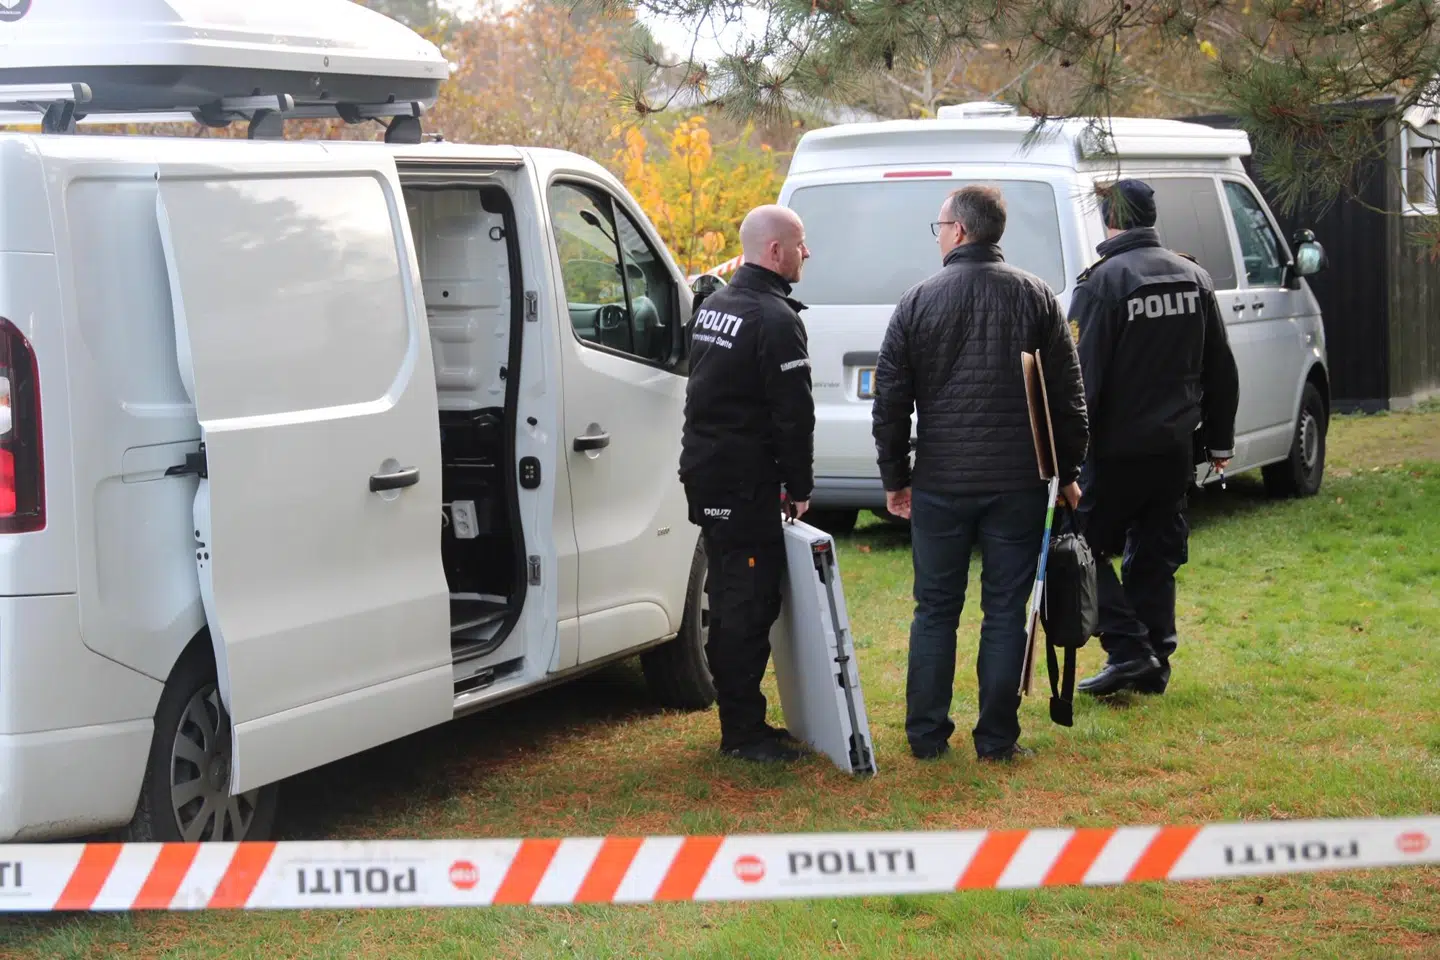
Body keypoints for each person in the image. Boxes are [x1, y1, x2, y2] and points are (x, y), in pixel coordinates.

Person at [872, 185, 1088, 763]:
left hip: (940, 483)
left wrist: (896, 477)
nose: (939, 234)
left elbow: (890, 401)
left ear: (960, 231)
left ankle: (926, 736)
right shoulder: (1037, 296)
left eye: (940, 225)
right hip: (1018, 483)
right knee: (1004, 612)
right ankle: (996, 739)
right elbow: (1068, 397)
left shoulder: (916, 301)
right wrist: (1067, 471)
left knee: (935, 608)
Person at [1067, 178, 1239, 697]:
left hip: (1115, 452)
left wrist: (1066, 457)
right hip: (1173, 450)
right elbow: (1220, 368)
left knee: (1077, 550)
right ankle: (1153, 659)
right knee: (1155, 552)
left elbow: (1083, 381)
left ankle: (1129, 650)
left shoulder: (1100, 284)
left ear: (1108, 219)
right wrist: (1219, 443)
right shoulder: (1194, 276)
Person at [678, 204, 815, 764]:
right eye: (801, 243)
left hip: (709, 474)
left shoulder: (717, 304)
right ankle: (742, 732)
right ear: (774, 251)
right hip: (743, 484)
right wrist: (800, 484)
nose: (808, 253)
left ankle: (744, 720)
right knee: (745, 605)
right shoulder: (774, 318)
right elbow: (793, 415)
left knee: (729, 594)